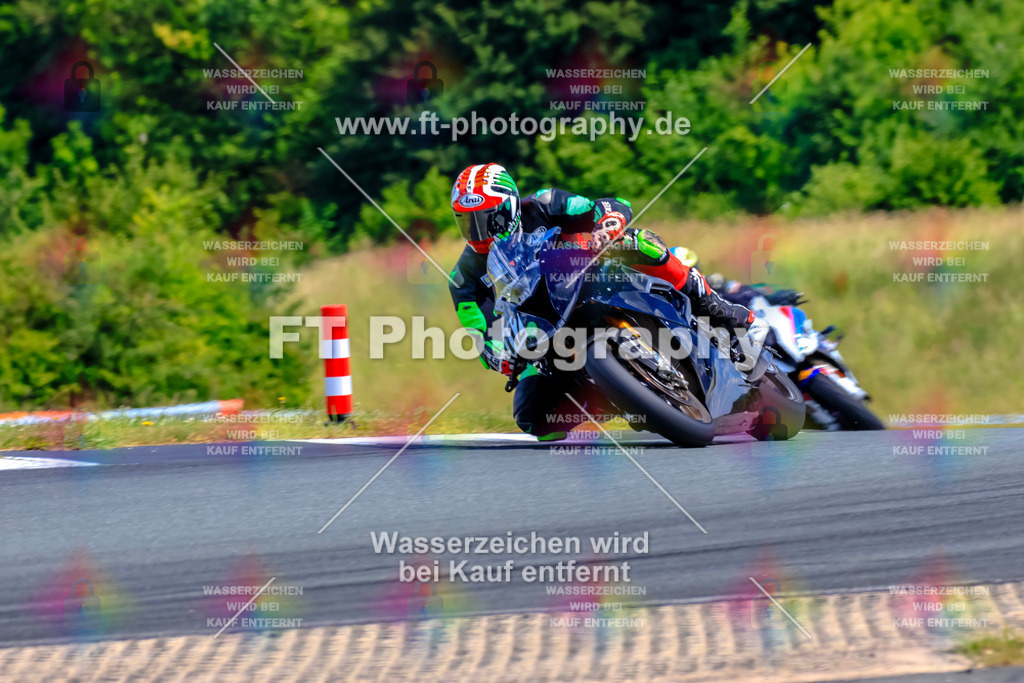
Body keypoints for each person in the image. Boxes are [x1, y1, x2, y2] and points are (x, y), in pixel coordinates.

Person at [448, 163, 767, 440]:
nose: (479, 232)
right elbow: (479, 333)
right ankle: (618, 396)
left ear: (511, 206)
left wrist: (607, 224)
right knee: (534, 418)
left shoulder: (545, 203)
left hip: (588, 276)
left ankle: (718, 310)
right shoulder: (463, 278)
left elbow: (608, 206)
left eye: (488, 219)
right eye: (468, 221)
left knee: (640, 242)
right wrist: (497, 355)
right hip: (542, 327)